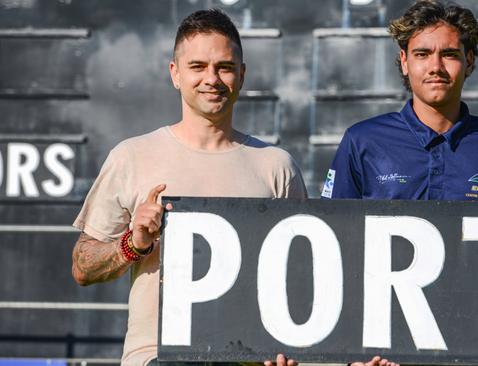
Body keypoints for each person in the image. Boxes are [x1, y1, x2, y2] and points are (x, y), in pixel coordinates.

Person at [71, 9, 306, 366]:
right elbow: (82, 267)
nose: (212, 78)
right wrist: (133, 243)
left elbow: (301, 279)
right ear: (175, 74)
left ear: (241, 75)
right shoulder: (133, 156)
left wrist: (285, 352)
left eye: (224, 67)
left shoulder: (276, 167)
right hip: (155, 358)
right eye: (197, 66)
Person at [321, 0, 478, 264]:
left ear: (469, 61)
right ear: (404, 61)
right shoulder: (362, 141)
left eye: (449, 54)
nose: (435, 66)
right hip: (382, 305)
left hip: (470, 305)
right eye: (422, 54)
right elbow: (333, 245)